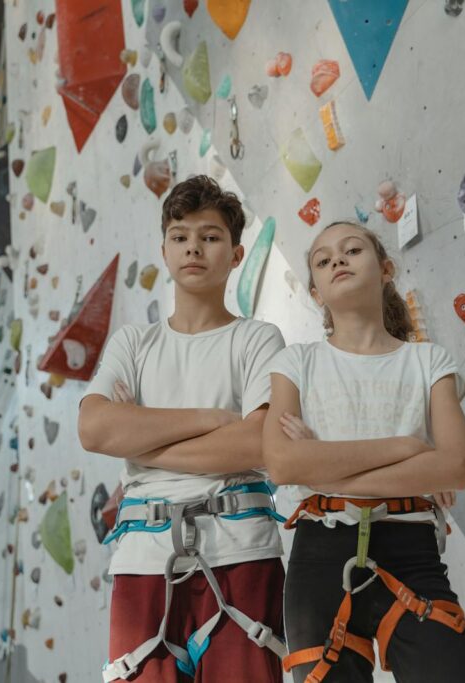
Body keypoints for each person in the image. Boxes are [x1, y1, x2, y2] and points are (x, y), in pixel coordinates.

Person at [263, 221, 465, 682]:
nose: (338, 261)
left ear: (386, 269)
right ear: (315, 291)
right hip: (318, 559)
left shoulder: (429, 361)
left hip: (411, 552)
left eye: (352, 250)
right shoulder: (296, 363)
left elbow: (456, 466)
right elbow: (283, 463)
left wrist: (323, 469)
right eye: (324, 260)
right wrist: (408, 450)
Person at [78, 175, 287, 682]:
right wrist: (209, 420)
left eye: (211, 236)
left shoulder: (257, 339)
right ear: (164, 250)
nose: (194, 246)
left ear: (236, 254)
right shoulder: (134, 343)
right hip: (142, 558)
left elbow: (260, 441)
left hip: (242, 550)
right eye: (180, 236)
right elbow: (95, 429)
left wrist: (145, 441)